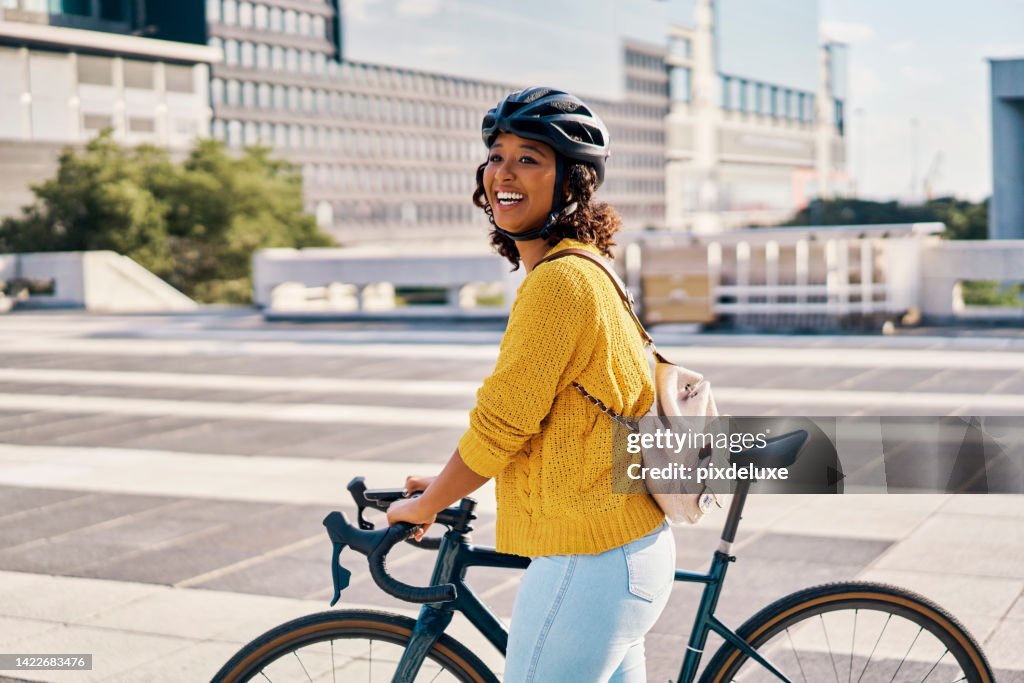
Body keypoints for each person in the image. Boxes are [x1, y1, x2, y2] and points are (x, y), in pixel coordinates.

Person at [386, 87, 675, 682]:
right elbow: (543, 423)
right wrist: (441, 484)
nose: (503, 173)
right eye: (496, 155)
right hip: (621, 555)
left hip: (589, 563)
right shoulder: (585, 268)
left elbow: (502, 425)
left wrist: (426, 504)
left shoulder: (559, 284)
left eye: (528, 158)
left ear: (570, 182)